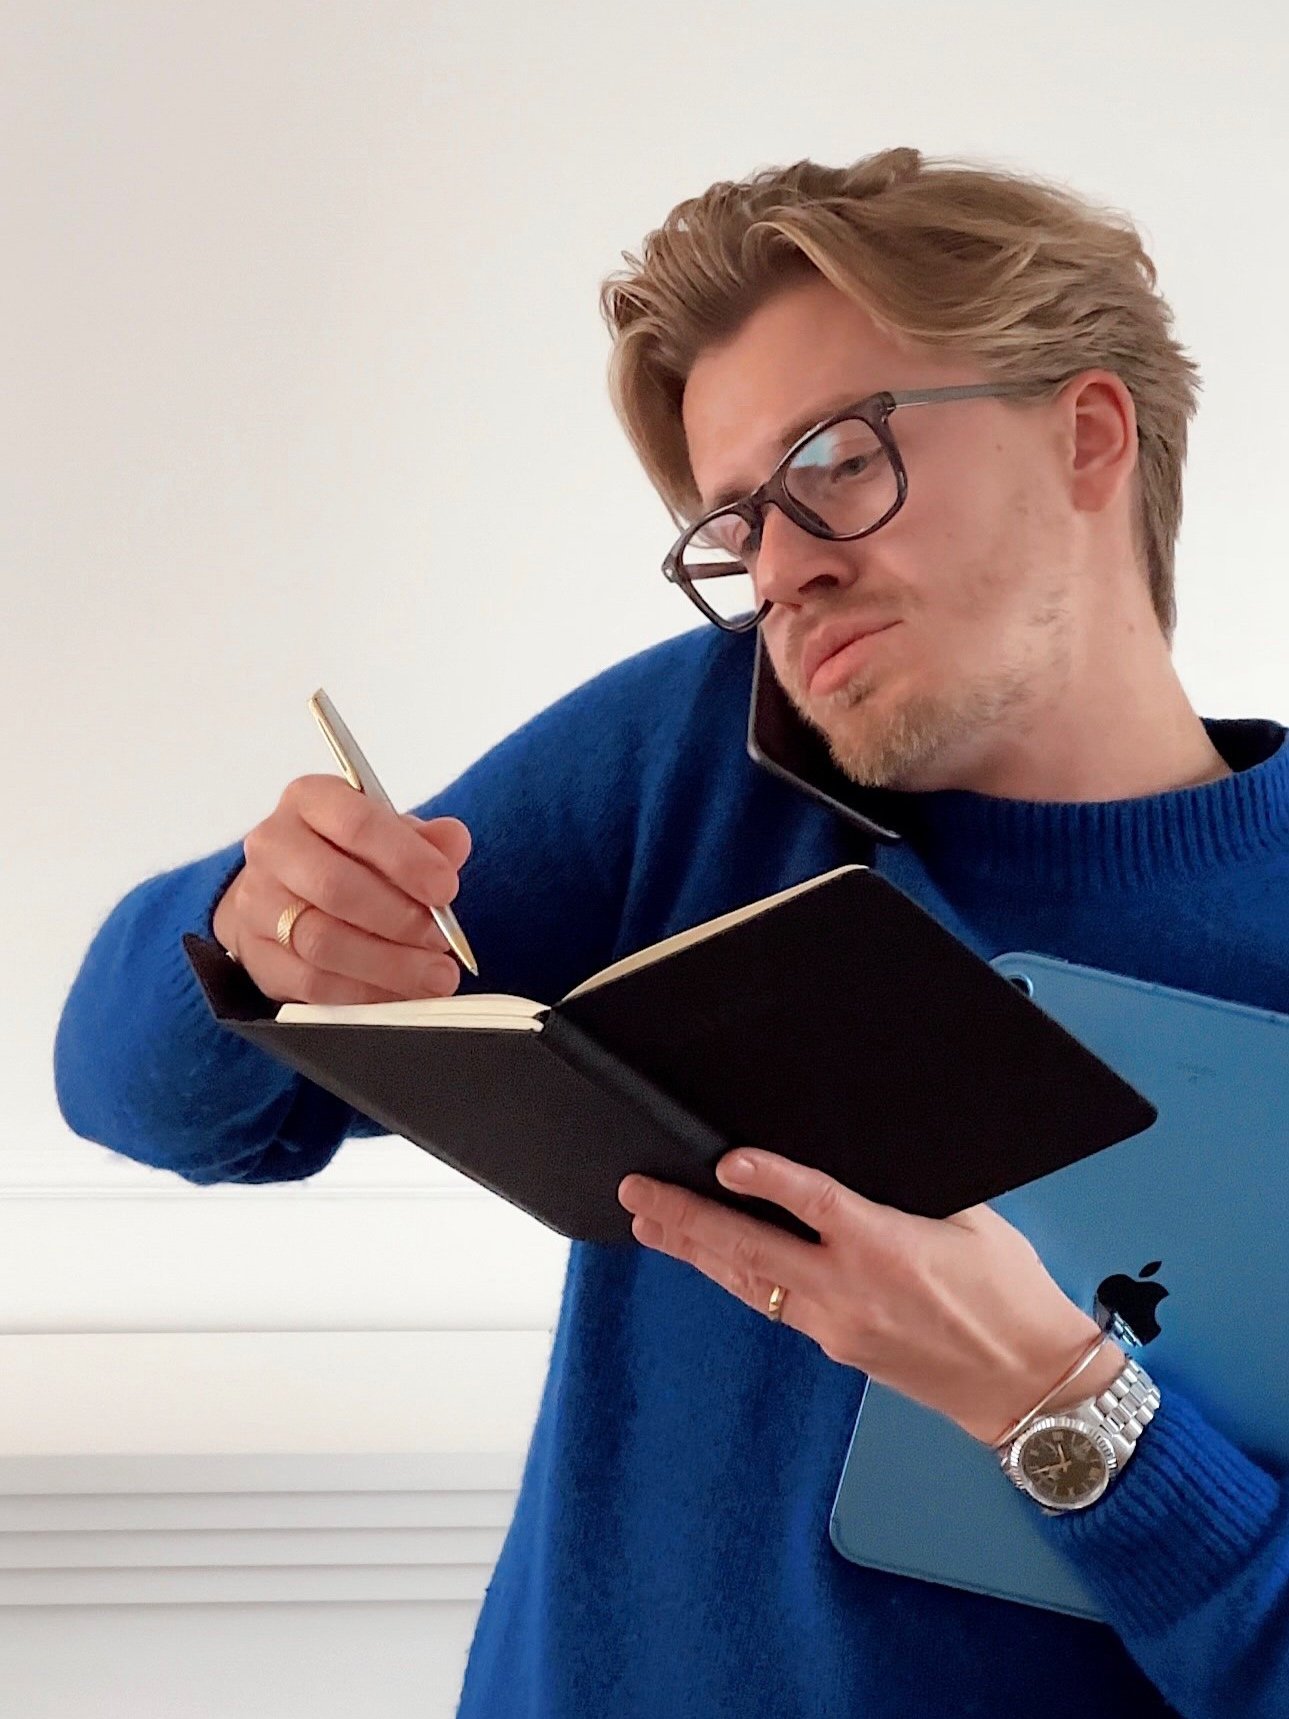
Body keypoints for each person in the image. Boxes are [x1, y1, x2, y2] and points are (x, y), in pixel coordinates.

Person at [54, 146, 1288, 1718]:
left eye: (837, 459)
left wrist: (1061, 1406)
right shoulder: (704, 758)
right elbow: (140, 1097)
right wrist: (260, 923)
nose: (782, 569)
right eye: (737, 524)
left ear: (1086, 435)